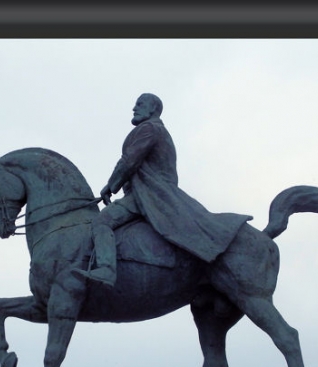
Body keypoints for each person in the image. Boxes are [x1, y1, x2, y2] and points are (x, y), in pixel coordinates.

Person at [73, 93, 251, 286]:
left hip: (147, 195)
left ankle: (106, 270)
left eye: (140, 104)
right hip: (151, 194)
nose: (134, 108)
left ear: (152, 109)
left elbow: (129, 160)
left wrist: (111, 185)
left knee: (102, 221)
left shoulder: (149, 129)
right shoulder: (158, 130)